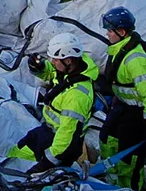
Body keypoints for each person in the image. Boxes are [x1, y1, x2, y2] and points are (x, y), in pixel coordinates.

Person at [9, 33, 97, 173]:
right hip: (47, 131)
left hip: (58, 144)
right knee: (16, 154)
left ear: (68, 61)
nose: (52, 62)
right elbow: (54, 75)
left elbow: (67, 134)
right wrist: (39, 68)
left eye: (55, 60)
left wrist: (48, 162)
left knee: (26, 175)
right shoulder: (73, 68)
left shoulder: (77, 96)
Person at [100, 7, 146, 190]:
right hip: (122, 107)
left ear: (121, 32)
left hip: (137, 115)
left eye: (110, 30)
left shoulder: (136, 60)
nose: (107, 34)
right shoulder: (119, 50)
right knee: (107, 139)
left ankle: (130, 185)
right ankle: (112, 181)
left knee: (131, 158)